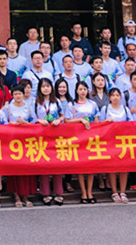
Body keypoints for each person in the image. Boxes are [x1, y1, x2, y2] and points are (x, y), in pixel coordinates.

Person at [65, 81, 99, 203]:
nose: (83, 91)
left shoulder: (93, 104)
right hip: (77, 138)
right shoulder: (72, 105)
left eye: (85, 89)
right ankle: (83, 192)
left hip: (90, 137)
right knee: (80, 166)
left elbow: (96, 119)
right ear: (76, 91)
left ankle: (90, 192)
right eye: (80, 89)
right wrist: (80, 120)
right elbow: (67, 121)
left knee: (91, 166)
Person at [34, 78, 64, 206]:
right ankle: (45, 193)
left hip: (56, 136)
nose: (46, 89)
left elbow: (63, 115)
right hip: (42, 137)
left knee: (57, 164)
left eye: (48, 86)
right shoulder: (36, 102)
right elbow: (32, 118)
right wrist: (39, 121)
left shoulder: (56, 101)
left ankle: (58, 193)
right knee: (44, 163)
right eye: (43, 86)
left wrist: (59, 120)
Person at [100, 88, 132, 203]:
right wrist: (106, 122)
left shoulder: (125, 109)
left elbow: (132, 124)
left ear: (120, 97)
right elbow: (99, 125)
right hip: (110, 141)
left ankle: (123, 192)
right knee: (112, 167)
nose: (115, 97)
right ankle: (114, 192)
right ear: (109, 97)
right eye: (113, 95)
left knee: (124, 167)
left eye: (117, 95)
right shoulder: (105, 109)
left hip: (123, 140)